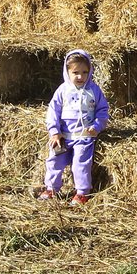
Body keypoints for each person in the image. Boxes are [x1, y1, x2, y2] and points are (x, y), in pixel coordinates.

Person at [38, 49, 110, 207]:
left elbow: (103, 111)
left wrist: (97, 126)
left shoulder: (94, 90)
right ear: (67, 71)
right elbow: (53, 111)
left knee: (81, 163)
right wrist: (54, 132)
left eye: (85, 72)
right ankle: (51, 188)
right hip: (63, 136)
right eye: (76, 72)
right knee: (54, 160)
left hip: (84, 136)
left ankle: (82, 193)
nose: (80, 77)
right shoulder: (63, 90)